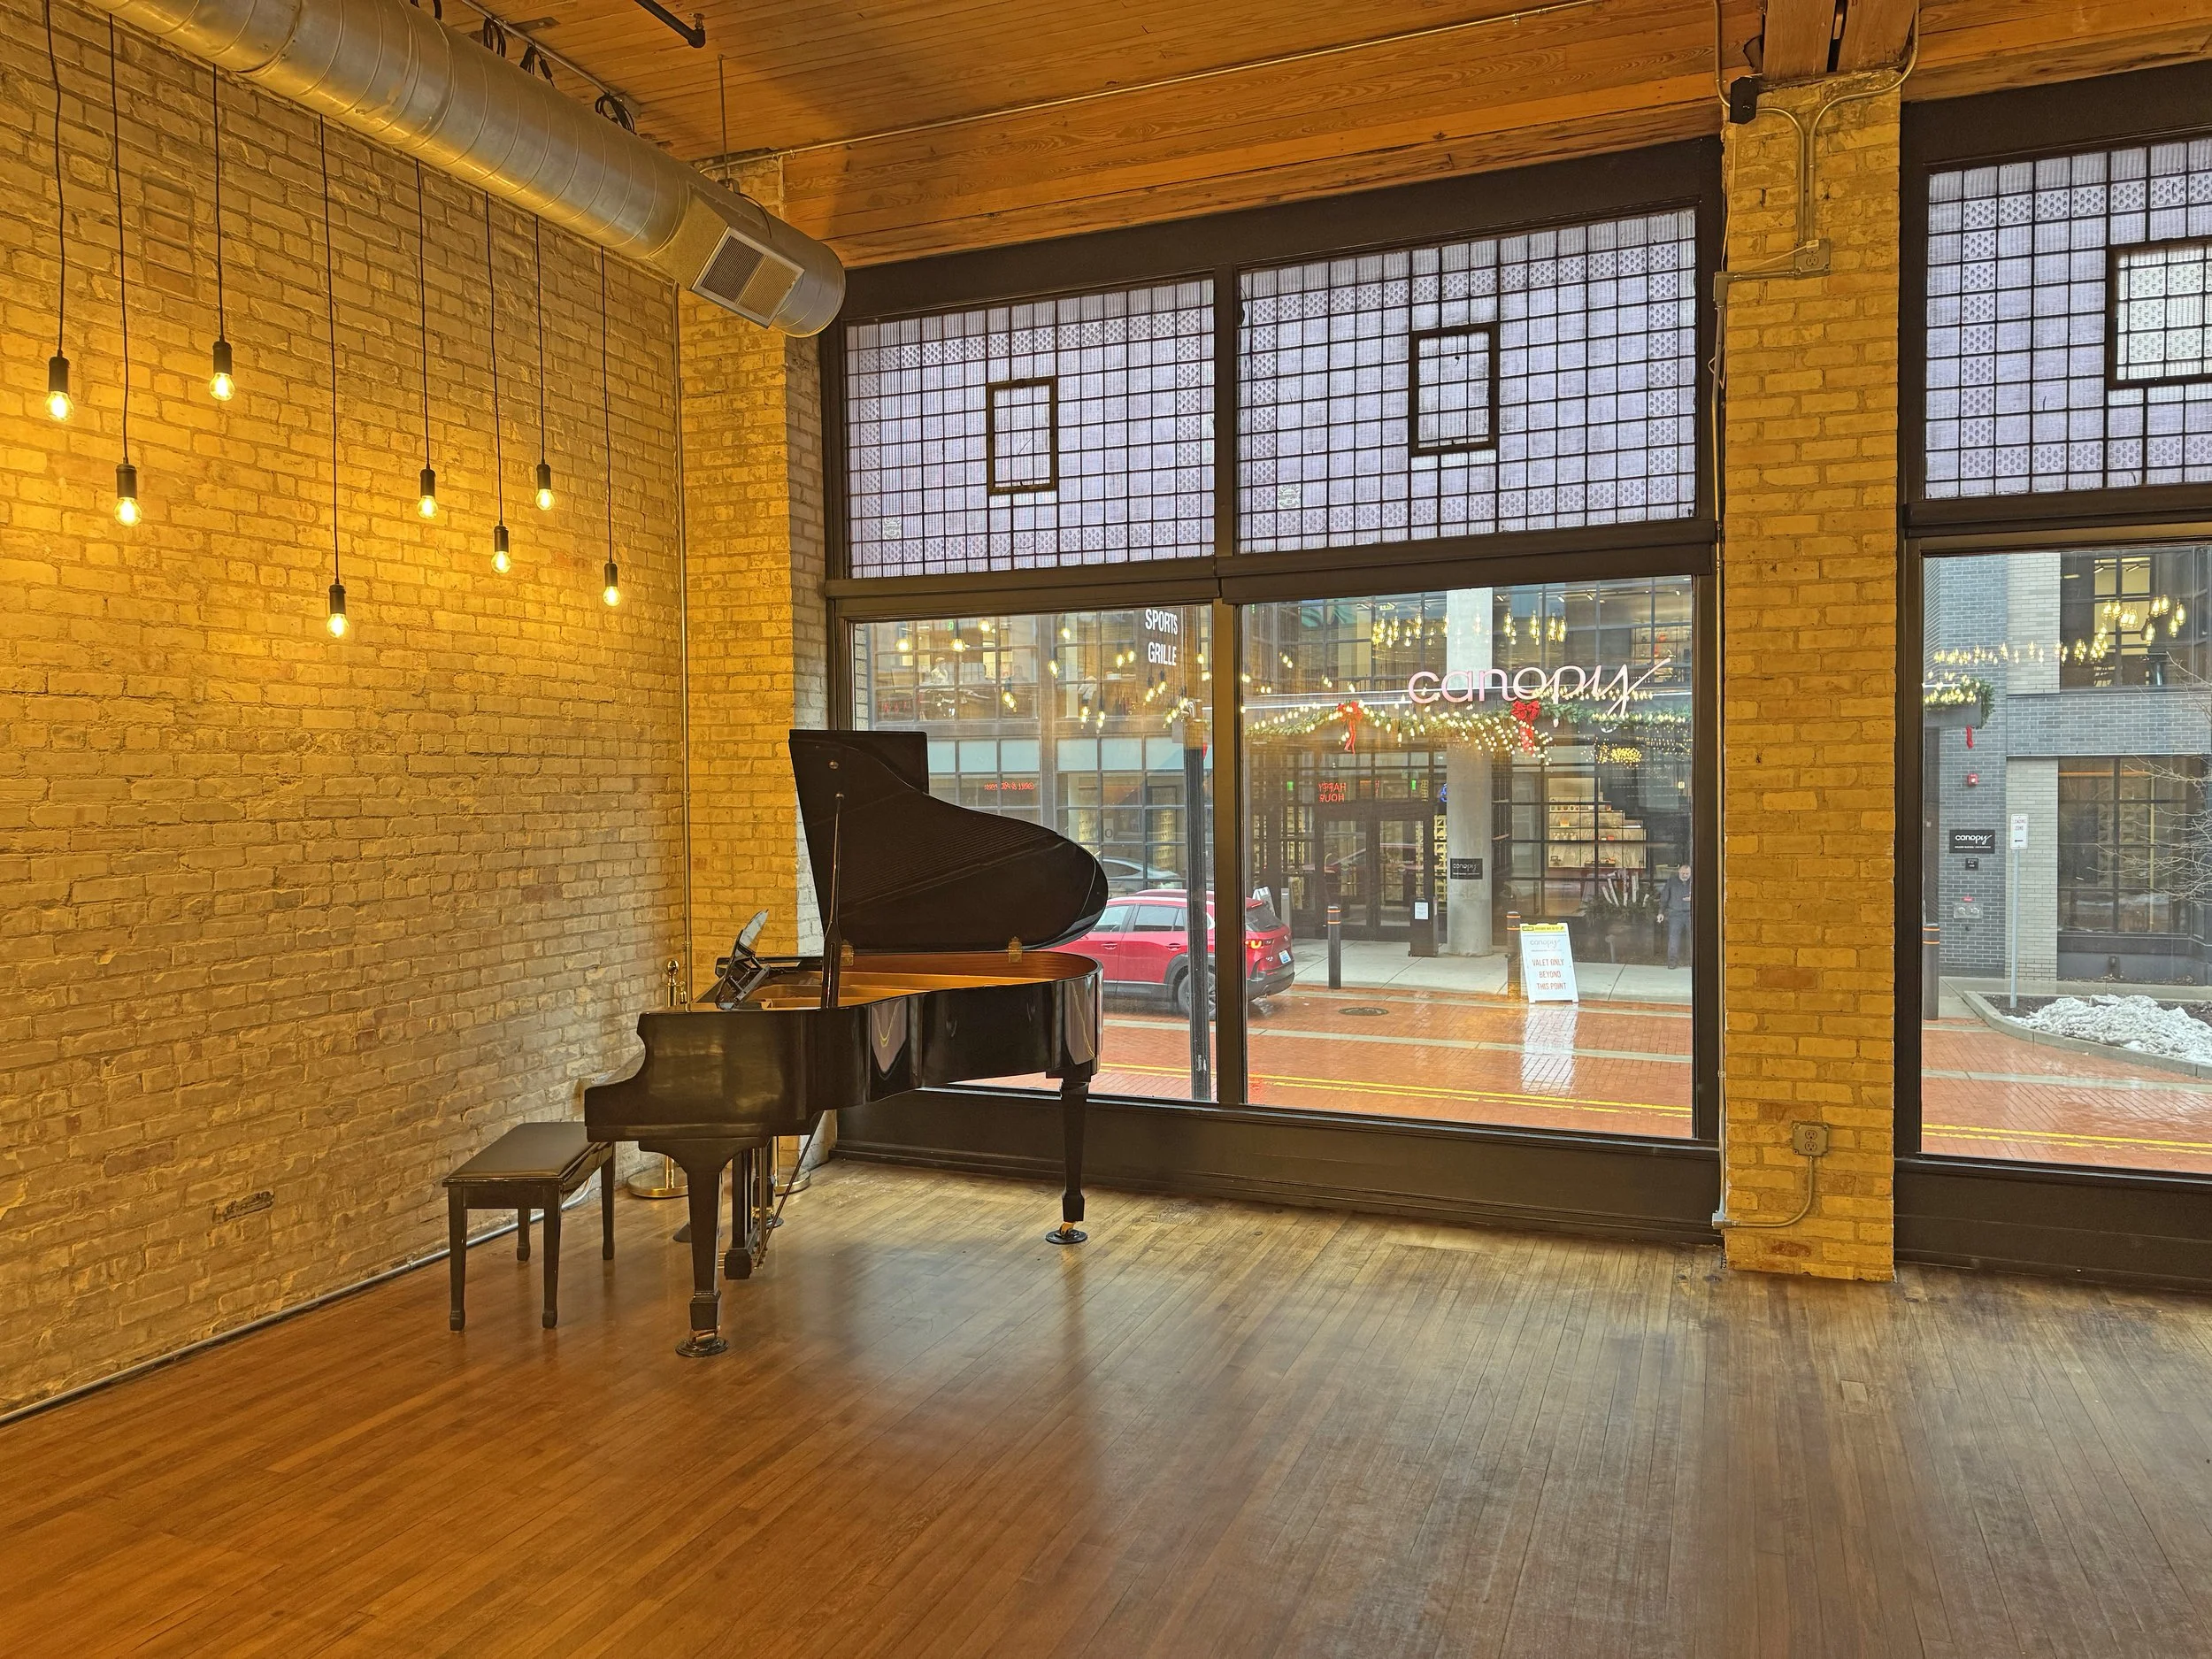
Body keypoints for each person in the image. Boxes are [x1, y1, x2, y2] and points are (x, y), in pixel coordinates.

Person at [1661, 863, 1693, 971]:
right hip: (1675, 914)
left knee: (1694, 939)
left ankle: (1694, 961)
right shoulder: (1672, 881)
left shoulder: (1694, 881)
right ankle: (1672, 962)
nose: (1685, 875)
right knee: (1673, 939)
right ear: (1679, 871)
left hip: (1690, 913)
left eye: (1687, 873)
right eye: (1683, 873)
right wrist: (1661, 912)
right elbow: (1664, 897)